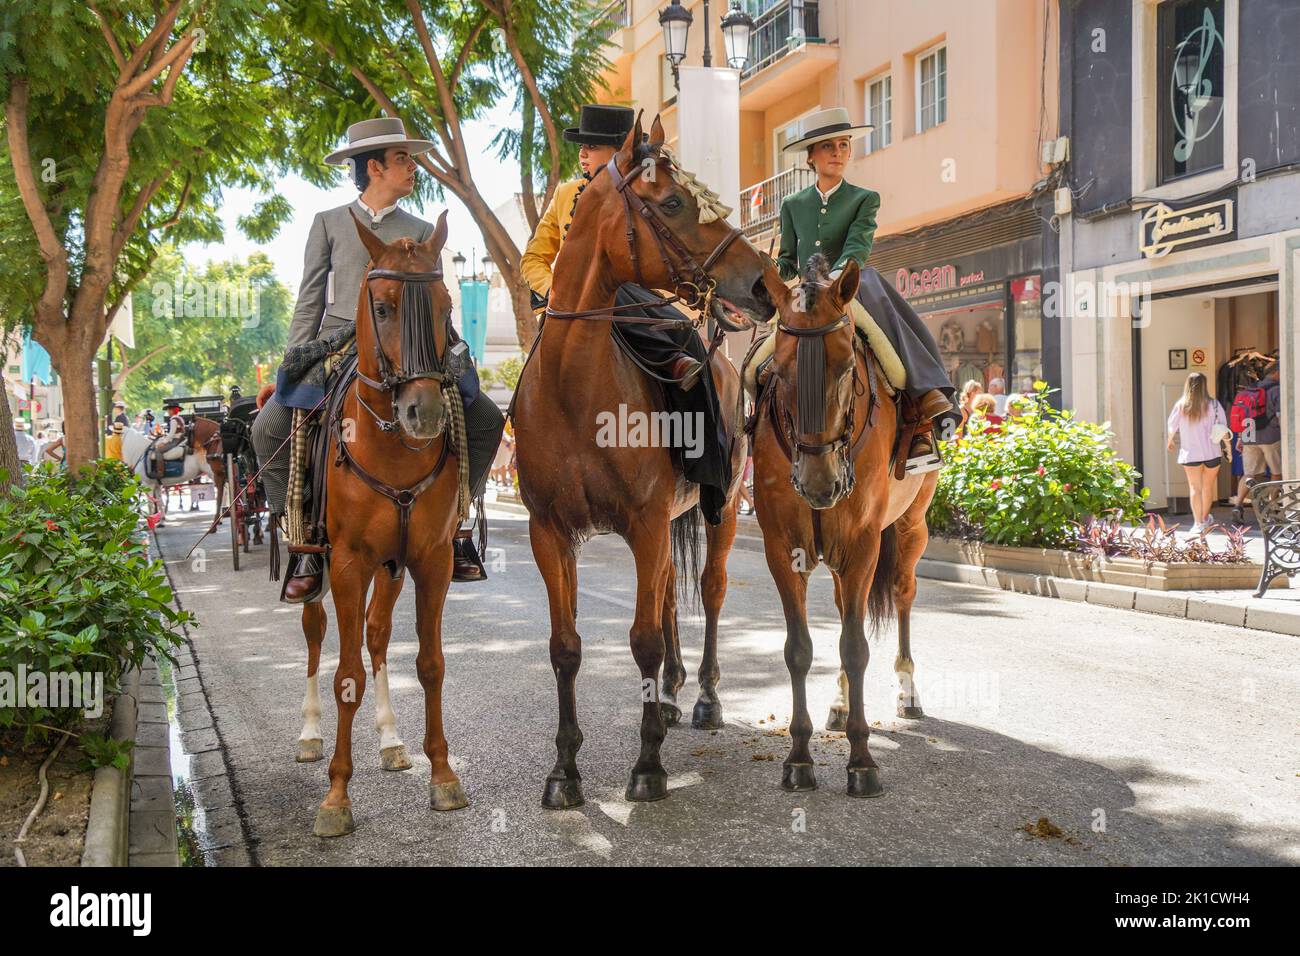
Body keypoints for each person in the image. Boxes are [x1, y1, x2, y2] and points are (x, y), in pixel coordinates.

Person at [251, 117, 505, 600]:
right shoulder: (327, 222)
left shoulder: (424, 230)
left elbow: (437, 302)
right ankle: (305, 541)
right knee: (267, 428)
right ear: (374, 167)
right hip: (335, 345)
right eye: (403, 159)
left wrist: (449, 350)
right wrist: (292, 362)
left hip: (411, 347)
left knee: (486, 416)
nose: (413, 167)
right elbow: (309, 299)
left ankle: (458, 525)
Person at [519, 104, 736, 524]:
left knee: (691, 341)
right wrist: (558, 293)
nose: (583, 155)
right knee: (529, 381)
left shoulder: (641, 190)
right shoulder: (566, 195)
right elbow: (533, 259)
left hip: (632, 295)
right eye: (582, 148)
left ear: (621, 151)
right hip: (570, 305)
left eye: (595, 146)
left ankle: (705, 466)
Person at [775, 107, 957, 473]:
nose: (839, 152)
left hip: (850, 286)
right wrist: (771, 275)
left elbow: (858, 247)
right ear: (811, 156)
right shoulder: (792, 205)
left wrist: (833, 283)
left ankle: (922, 405)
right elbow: (788, 258)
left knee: (882, 324)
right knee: (758, 364)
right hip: (804, 295)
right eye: (828, 146)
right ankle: (753, 425)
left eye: (844, 145)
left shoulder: (864, 198)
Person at [1167, 371, 1228, 535]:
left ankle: (1197, 522)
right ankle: (1206, 517)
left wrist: (1170, 441)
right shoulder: (1214, 404)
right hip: (1212, 453)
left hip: (1190, 454)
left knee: (1195, 488)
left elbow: (1171, 426)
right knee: (1208, 487)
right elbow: (1223, 427)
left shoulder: (1181, 405)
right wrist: (1228, 447)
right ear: (1204, 385)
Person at [1236, 362, 1282, 508]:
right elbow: (1280, 416)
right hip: (1271, 438)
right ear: (1276, 373)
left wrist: (1240, 437)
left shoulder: (1251, 389)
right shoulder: (1276, 390)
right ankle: (1271, 506)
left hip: (1249, 437)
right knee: (1277, 472)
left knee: (1249, 474)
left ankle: (1238, 505)